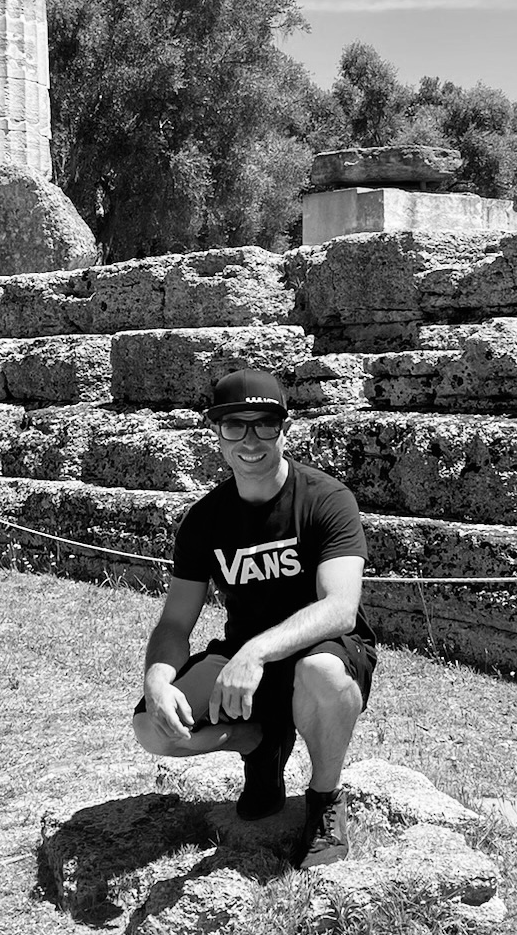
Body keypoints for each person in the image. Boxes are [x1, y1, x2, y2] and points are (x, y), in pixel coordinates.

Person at [132, 367, 377, 869]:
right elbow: (175, 624)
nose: (250, 440)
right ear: (216, 435)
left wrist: (255, 651)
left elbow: (339, 608)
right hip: (246, 661)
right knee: (152, 729)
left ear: (284, 429)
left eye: (264, 425)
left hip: (325, 651)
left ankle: (325, 801)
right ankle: (261, 743)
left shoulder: (326, 500)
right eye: (233, 426)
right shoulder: (204, 521)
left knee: (321, 674)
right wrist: (157, 681)